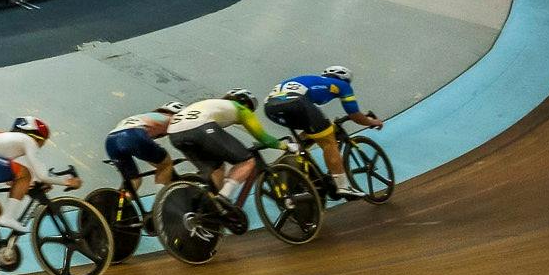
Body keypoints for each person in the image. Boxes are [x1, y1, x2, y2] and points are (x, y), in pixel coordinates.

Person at [165, 90, 282, 231]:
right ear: (246, 103)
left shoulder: (209, 105)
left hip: (174, 134)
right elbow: (264, 138)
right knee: (247, 161)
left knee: (217, 169)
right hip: (199, 127)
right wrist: (286, 146)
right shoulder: (241, 108)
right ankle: (224, 197)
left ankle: (208, 209)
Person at [265, 67, 383, 198]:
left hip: (270, 108)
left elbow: (312, 118)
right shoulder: (342, 85)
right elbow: (354, 114)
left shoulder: (315, 81)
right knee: (328, 141)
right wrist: (373, 122)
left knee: (312, 134)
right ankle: (343, 187)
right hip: (296, 103)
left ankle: (281, 170)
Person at [104, 106, 180, 191]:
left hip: (111, 141)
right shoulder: (172, 118)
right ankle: (163, 194)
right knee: (166, 164)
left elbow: (147, 150)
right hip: (133, 135)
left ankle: (119, 201)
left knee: (134, 181)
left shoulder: (145, 117)